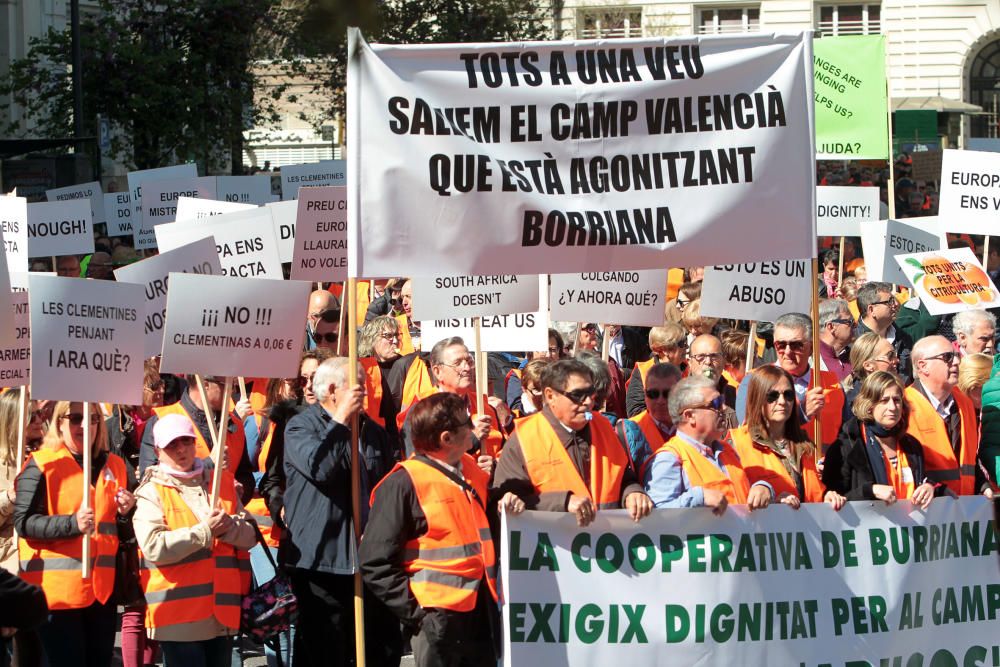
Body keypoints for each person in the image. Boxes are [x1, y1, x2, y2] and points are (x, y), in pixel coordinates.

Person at [361, 393, 521, 667]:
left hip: (478, 608)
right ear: (446, 438)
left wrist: (506, 499)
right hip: (438, 618)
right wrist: (418, 615)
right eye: (465, 424)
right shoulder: (403, 483)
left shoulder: (471, 469)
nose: (473, 428)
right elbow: (374, 561)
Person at [282, 357, 402, 667]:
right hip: (323, 561)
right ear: (334, 390)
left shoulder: (372, 432)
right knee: (325, 650)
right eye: (359, 384)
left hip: (370, 558)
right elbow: (320, 468)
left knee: (381, 649)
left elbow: (388, 485)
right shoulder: (300, 426)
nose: (366, 389)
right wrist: (340, 421)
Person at [14, 401, 134, 667]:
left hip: (101, 592)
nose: (84, 425)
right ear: (59, 422)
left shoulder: (115, 465)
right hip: (57, 594)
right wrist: (71, 524)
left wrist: (126, 512)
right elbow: (23, 522)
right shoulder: (41, 464)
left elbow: (118, 531)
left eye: (92, 418)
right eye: (75, 418)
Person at [132, 414, 255, 667]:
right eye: (171, 445)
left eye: (186, 441)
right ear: (158, 451)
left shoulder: (220, 483)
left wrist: (229, 527)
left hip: (222, 613)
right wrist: (205, 532)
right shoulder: (151, 491)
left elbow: (251, 535)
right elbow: (154, 546)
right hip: (178, 619)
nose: (180, 449)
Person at [492, 359, 653, 526]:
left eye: (590, 392)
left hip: (605, 543)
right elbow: (507, 505)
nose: (588, 402)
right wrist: (563, 502)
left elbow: (623, 476)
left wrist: (633, 492)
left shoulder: (604, 427)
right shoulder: (522, 439)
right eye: (577, 395)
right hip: (553, 548)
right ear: (550, 396)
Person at [642, 376, 761, 511]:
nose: (724, 407)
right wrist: (699, 497)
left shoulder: (728, 450)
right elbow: (657, 519)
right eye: (716, 403)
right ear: (689, 416)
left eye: (722, 400)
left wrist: (762, 488)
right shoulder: (669, 459)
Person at [823, 372, 940, 508]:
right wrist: (870, 491)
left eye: (897, 400)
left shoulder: (912, 446)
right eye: (884, 401)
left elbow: (923, 481)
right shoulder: (845, 447)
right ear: (869, 405)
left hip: (910, 525)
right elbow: (833, 501)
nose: (892, 407)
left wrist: (929, 487)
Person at [729, 366, 837, 508]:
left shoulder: (804, 443)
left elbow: (814, 492)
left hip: (807, 528)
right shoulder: (736, 445)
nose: (782, 401)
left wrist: (827, 496)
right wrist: (773, 502)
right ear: (757, 398)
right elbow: (732, 500)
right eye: (772, 396)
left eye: (788, 395)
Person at [736, 313, 845, 452]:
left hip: (823, 471)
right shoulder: (753, 380)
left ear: (811, 348)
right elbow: (751, 432)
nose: (787, 352)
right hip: (776, 469)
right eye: (781, 344)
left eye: (796, 345)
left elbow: (846, 434)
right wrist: (801, 413)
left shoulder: (832, 384)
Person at [140, 375, 254, 504]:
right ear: (205, 384)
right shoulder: (163, 420)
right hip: (181, 519)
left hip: (227, 518)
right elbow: (149, 478)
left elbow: (245, 475)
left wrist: (240, 491)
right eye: (226, 384)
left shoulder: (235, 424)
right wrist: (208, 464)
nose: (232, 390)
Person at [905, 336, 990, 497]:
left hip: (965, 509)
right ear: (923, 366)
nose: (957, 362)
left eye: (956, 355)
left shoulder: (965, 403)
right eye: (948, 357)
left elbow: (969, 460)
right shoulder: (903, 406)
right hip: (924, 512)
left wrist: (983, 486)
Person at [398, 337, 506, 459]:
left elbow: (504, 452)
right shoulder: (421, 412)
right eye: (457, 363)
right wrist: (472, 438)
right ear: (437, 371)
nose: (467, 368)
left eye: (469, 361)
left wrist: (495, 466)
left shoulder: (485, 406)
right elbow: (419, 463)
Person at [622, 362, 682, 469]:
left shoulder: (695, 426)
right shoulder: (630, 431)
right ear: (645, 395)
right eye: (653, 394)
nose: (660, 401)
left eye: (667, 394)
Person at [357, 315, 404, 446]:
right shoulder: (360, 369)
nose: (394, 340)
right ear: (372, 338)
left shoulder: (407, 365)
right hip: (372, 442)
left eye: (397, 335)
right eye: (388, 336)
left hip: (401, 439)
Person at [855, 281, 914, 380]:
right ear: (871, 310)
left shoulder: (902, 336)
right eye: (890, 301)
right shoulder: (855, 342)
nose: (895, 304)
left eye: (894, 299)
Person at [626, 323, 688, 417]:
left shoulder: (691, 368)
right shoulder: (643, 371)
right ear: (664, 350)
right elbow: (636, 412)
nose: (686, 347)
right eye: (682, 343)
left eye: (686, 341)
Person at [842, 332, 900, 422]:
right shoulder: (853, 404)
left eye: (895, 355)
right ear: (868, 365)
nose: (897, 360)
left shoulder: (897, 391)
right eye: (890, 355)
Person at [687, 334, 738, 425]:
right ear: (690, 363)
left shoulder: (735, 396)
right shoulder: (679, 397)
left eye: (714, 356)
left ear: (723, 361)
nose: (708, 362)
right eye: (700, 357)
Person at [818, 298, 854, 382]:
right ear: (831, 326)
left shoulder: (855, 354)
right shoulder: (811, 359)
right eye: (850, 322)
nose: (855, 325)